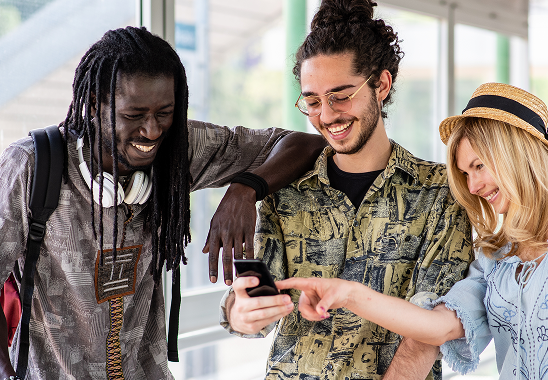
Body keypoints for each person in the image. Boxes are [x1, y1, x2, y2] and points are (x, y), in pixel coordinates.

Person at [0, 26, 325, 379]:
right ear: (94, 104)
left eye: (164, 113)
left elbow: (305, 145)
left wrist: (245, 188)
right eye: (134, 116)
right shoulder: (30, 167)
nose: (152, 131)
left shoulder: (177, 152)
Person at [219, 1, 473, 379]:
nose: (327, 115)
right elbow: (261, 302)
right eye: (312, 101)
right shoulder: (287, 193)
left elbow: (428, 332)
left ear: (381, 84)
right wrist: (238, 313)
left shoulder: (440, 192)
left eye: (341, 95)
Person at [278, 82, 548, 380]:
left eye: (478, 166)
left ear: (516, 152)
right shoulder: (495, 257)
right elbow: (437, 327)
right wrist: (349, 293)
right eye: (465, 174)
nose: (473, 186)